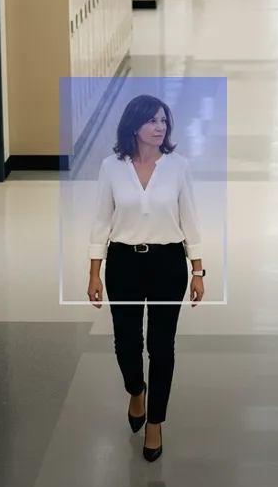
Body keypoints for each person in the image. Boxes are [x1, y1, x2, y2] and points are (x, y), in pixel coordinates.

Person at [87, 94, 205, 462]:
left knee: (162, 347)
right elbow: (101, 221)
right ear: (134, 126)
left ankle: (155, 422)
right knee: (126, 343)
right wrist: (94, 271)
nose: (160, 127)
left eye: (164, 121)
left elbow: (191, 219)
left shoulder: (178, 166)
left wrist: (198, 270)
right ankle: (136, 390)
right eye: (152, 121)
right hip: (123, 263)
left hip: (169, 264)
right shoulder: (111, 167)